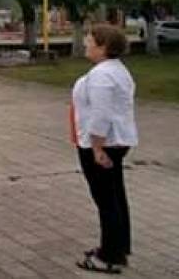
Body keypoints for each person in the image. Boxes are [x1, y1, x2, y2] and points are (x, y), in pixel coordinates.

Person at [72, 25, 137, 274]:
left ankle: (109, 256)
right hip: (116, 142)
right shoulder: (117, 71)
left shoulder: (102, 76)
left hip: (103, 144)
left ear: (103, 47)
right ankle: (116, 248)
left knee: (107, 201)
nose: (87, 43)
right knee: (115, 198)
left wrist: (97, 148)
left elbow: (101, 115)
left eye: (90, 40)